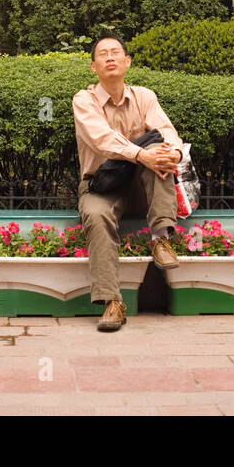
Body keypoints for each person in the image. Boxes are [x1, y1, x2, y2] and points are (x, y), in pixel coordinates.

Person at [72, 36, 182, 332]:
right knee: (95, 215)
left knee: (160, 158)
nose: (110, 58)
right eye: (103, 55)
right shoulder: (84, 100)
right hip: (101, 186)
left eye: (116, 53)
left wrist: (174, 152)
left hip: (140, 186)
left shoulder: (144, 96)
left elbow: (167, 130)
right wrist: (141, 154)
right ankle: (112, 303)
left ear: (127, 61)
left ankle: (161, 237)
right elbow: (102, 140)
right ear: (94, 66)